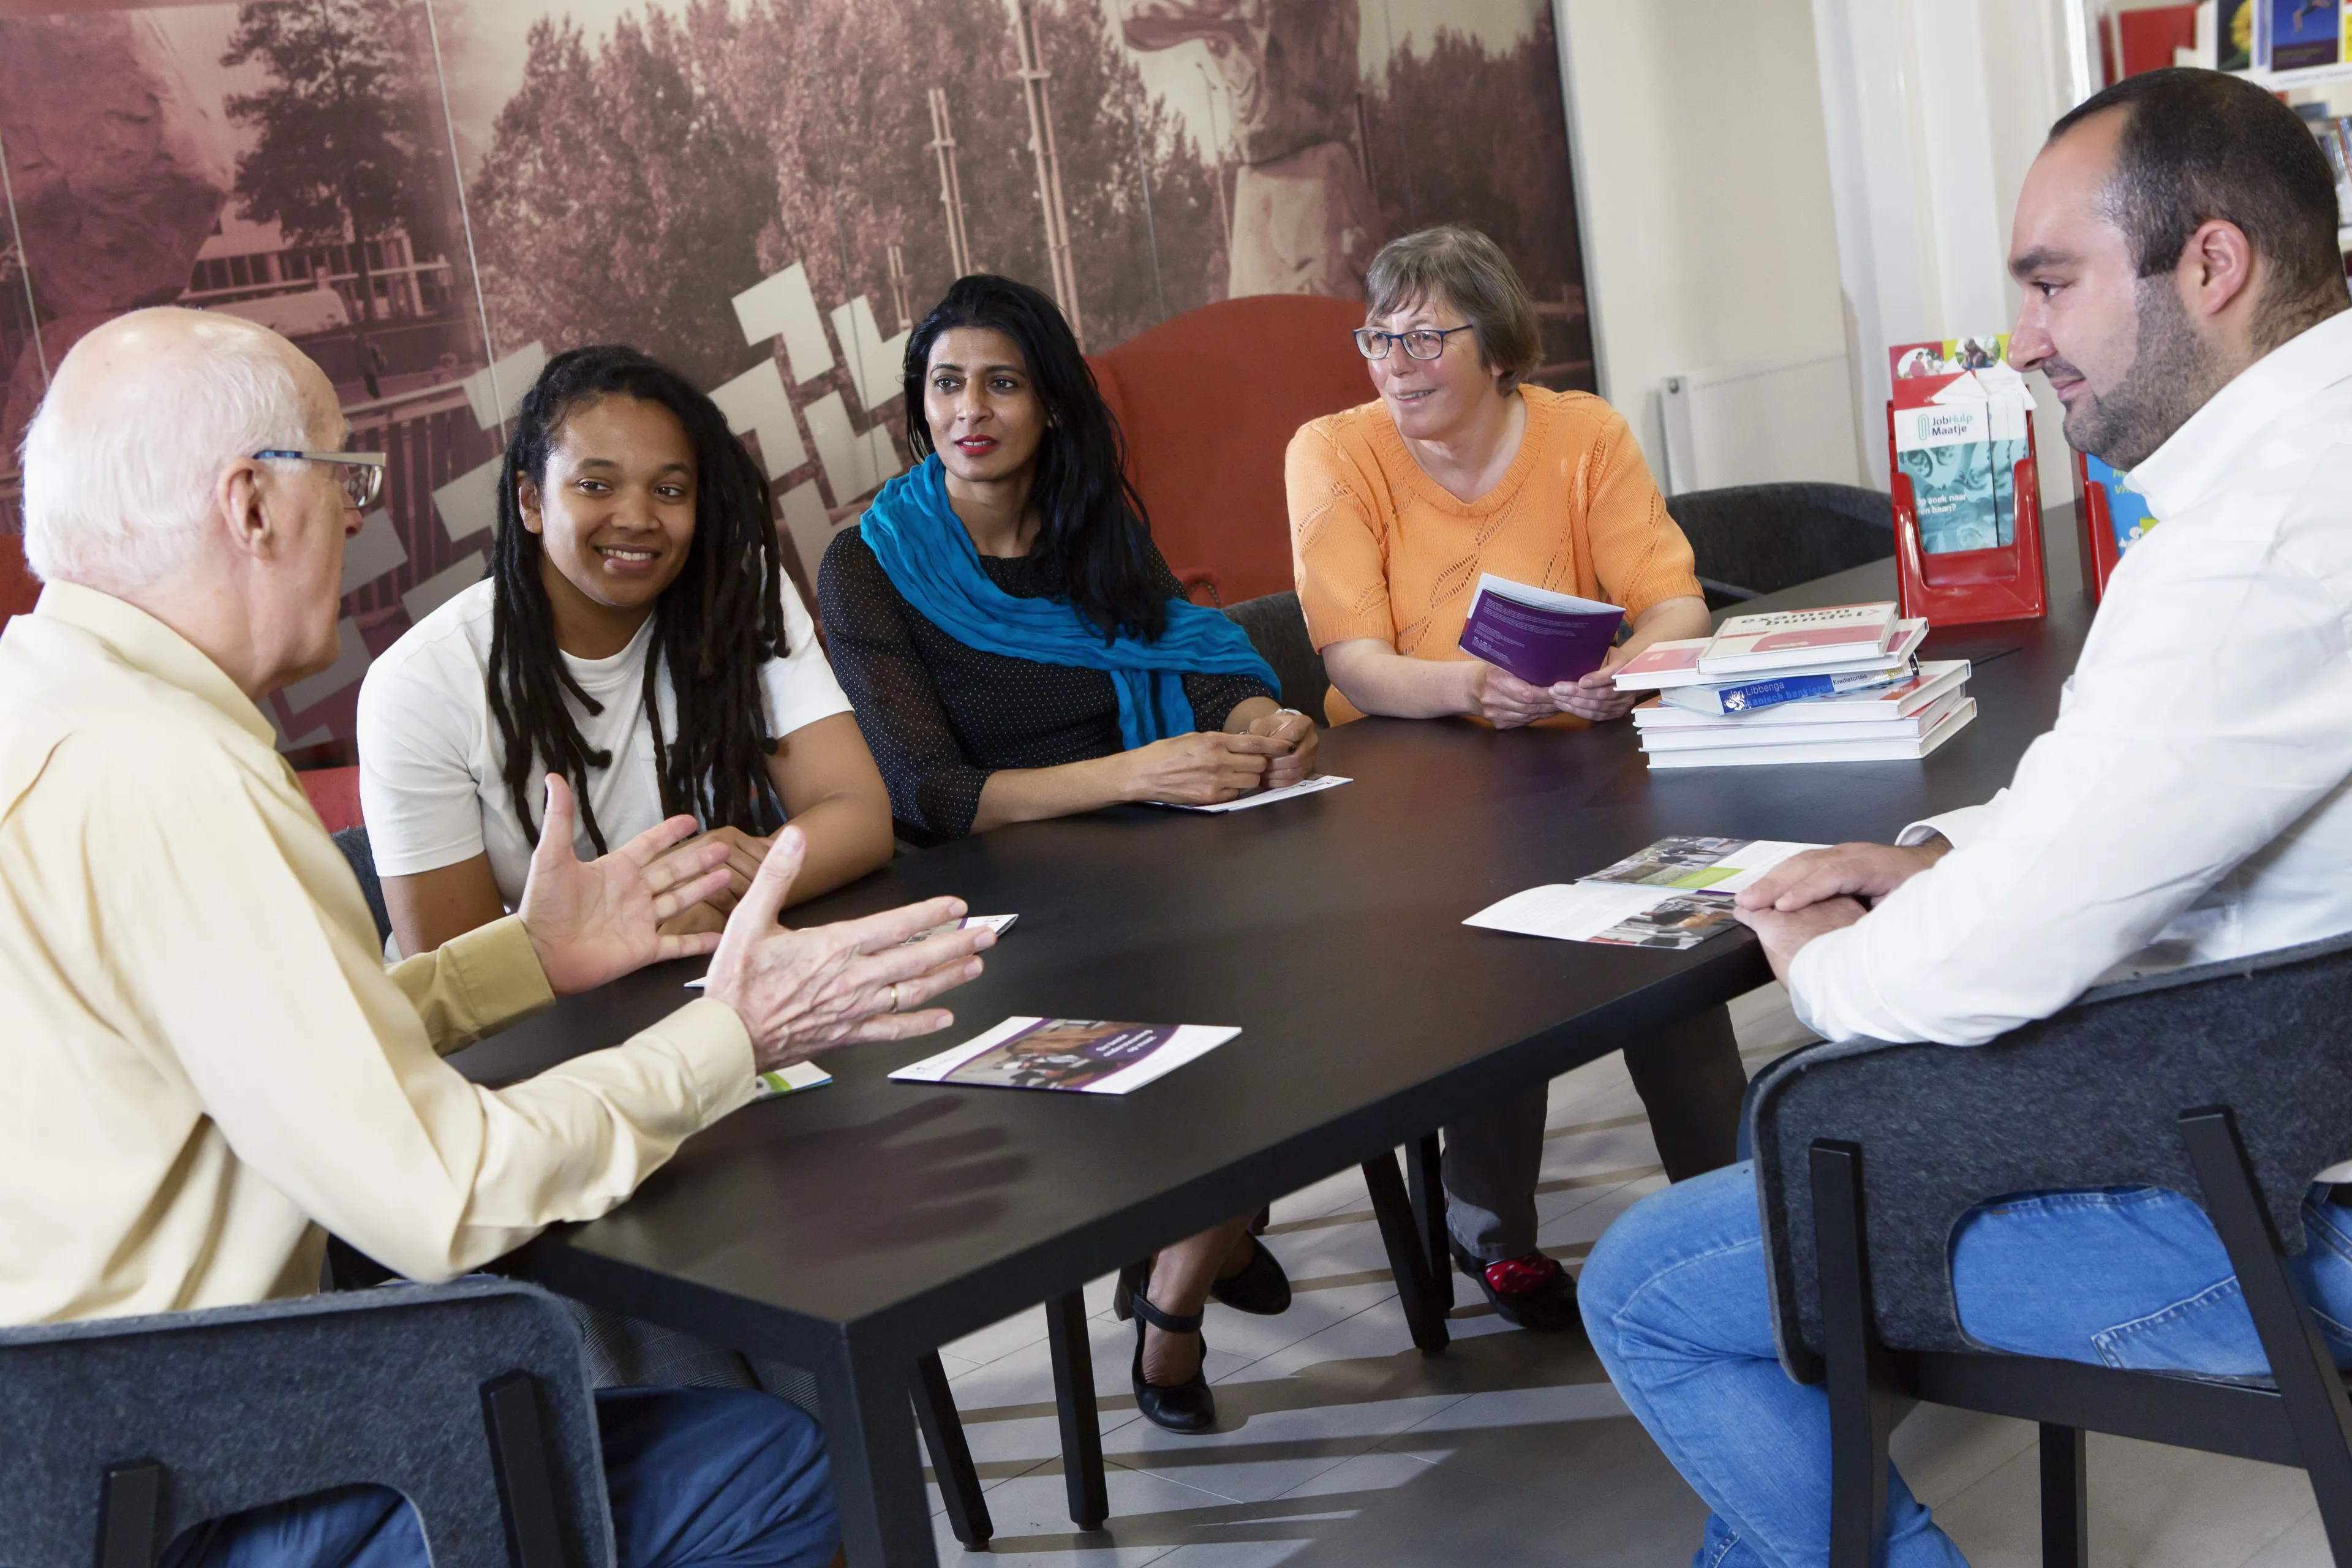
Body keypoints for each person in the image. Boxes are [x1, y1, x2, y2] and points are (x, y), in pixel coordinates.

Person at [1, 307, 996, 1567]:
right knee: (779, 1468)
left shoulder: (50, 712)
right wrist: (730, 1034)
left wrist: (524, 959)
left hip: (64, 1457)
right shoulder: (175, 775)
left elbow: (256, 1054)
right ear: (251, 505)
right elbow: (441, 1192)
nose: (360, 515)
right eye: (342, 474)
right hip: (176, 1479)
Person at [1580, 68, 2352, 1568]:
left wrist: (1820, 963)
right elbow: (2135, 792)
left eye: (2053, 284)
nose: (2024, 339)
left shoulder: (2253, 544)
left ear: (2208, 266)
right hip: (2298, 1121)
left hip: (2283, 1212)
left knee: (1652, 1281)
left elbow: (1979, 973)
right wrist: (1938, 849)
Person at [817, 273, 1303, 1433]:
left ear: (1049, 408)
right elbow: (929, 797)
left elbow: (1192, 655)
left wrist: (1249, 723)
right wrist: (1140, 772)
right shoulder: (866, 565)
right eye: (945, 384)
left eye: (1001, 382)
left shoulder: (1090, 526)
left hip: (1160, 868)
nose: (969, 409)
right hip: (997, 918)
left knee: (1307, 1013)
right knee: (1239, 1054)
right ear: (916, 404)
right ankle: (1190, 1276)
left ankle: (1177, 1275)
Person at [1284, 225, 1748, 1333]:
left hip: (1583, 758)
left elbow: (1674, 596)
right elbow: (1353, 663)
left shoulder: (1583, 433)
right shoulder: (1334, 452)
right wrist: (1468, 692)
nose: (1393, 363)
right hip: (1414, 779)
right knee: (1496, 959)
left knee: (1661, 944)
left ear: (1496, 348)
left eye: (1423, 338)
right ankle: (1489, 1229)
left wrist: (1631, 669)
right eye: (1378, 338)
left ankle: (1743, 1212)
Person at [359, 346, 893, 960]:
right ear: (531, 501)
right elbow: (463, 978)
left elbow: (857, 815)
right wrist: (662, 906)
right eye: (595, 484)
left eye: (669, 489)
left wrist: (713, 888)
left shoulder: (736, 598)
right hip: (527, 1032)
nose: (637, 517)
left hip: (694, 974)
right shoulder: (420, 683)